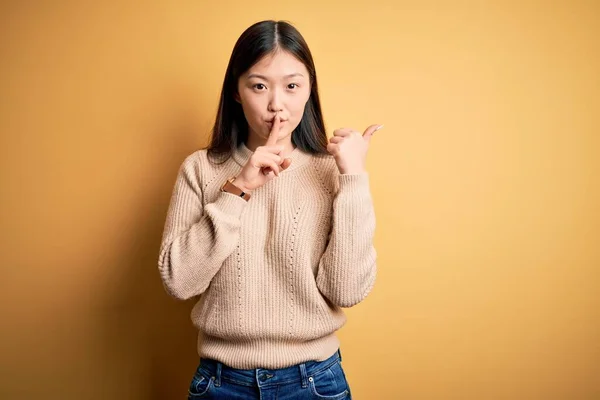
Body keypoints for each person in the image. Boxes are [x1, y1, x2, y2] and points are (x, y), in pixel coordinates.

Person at [158, 19, 380, 400]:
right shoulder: (200, 169)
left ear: (309, 90)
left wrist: (354, 178)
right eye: (259, 86)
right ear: (236, 91)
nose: (277, 104)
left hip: (314, 382)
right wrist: (238, 188)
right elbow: (179, 281)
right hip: (221, 383)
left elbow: (347, 289)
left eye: (292, 86)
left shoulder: (331, 171)